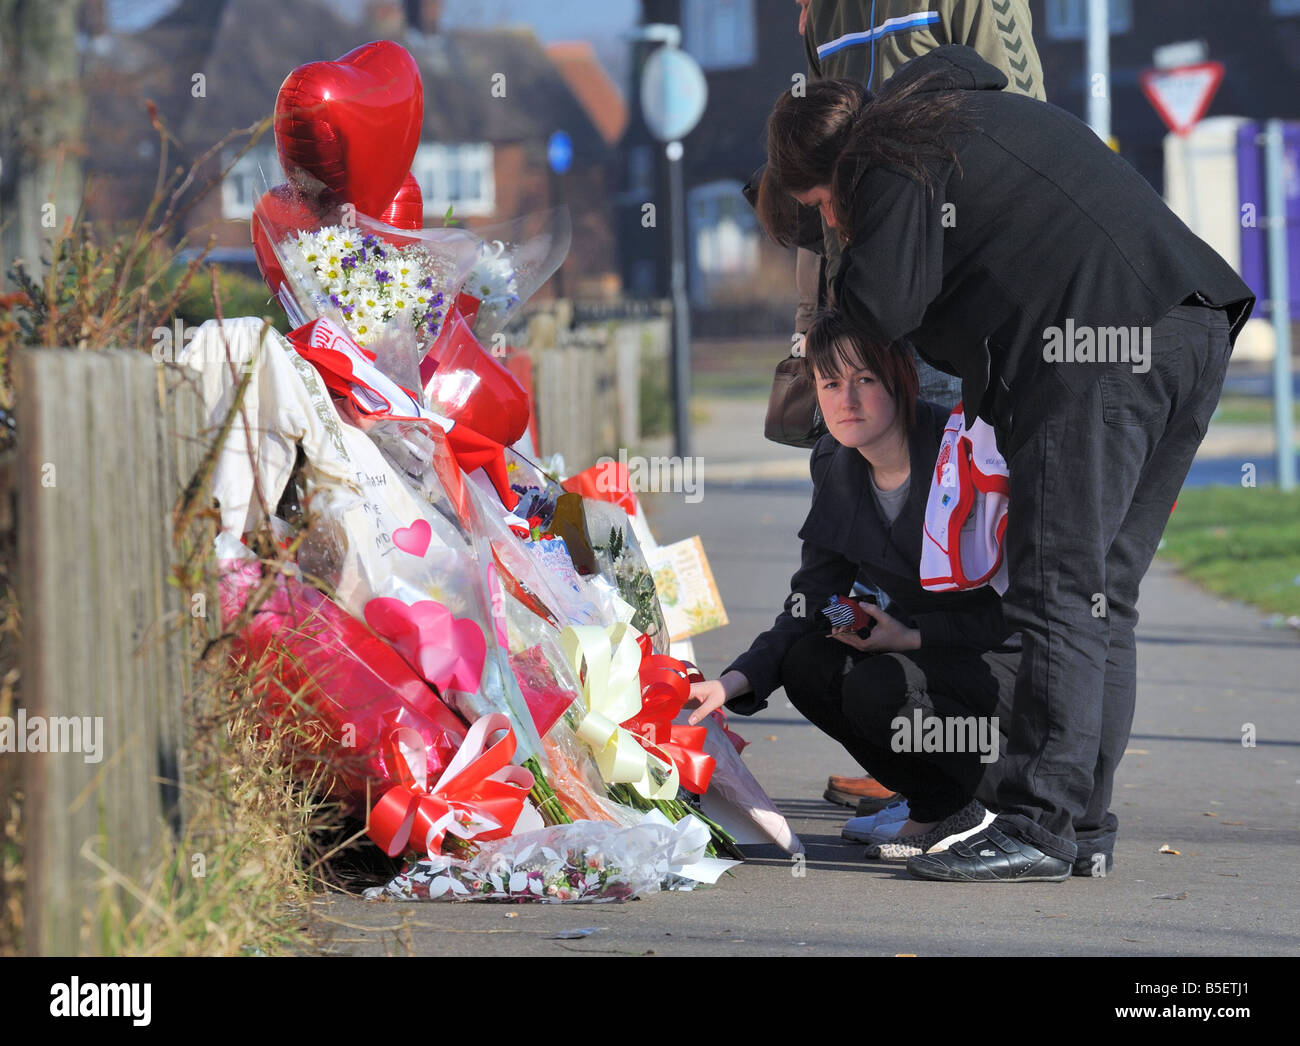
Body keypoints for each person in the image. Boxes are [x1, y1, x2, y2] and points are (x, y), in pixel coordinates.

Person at [757, 46, 1255, 882]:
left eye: (822, 211)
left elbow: (884, 305)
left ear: (829, 172)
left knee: (1057, 588)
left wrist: (842, 270)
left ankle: (1038, 824)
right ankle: (1081, 820)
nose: (833, 227)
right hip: (1189, 324)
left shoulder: (884, 155)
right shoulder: (952, 120)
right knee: (1104, 591)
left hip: (1098, 350)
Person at [687, 310, 1021, 860]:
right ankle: (941, 807)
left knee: (878, 685)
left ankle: (984, 799)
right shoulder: (835, 462)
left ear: (901, 380)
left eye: (865, 380)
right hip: (925, 661)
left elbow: (1019, 607)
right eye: (831, 383)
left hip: (999, 665)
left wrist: (910, 638)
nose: (848, 400)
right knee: (809, 663)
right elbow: (809, 598)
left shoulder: (960, 449)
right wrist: (734, 681)